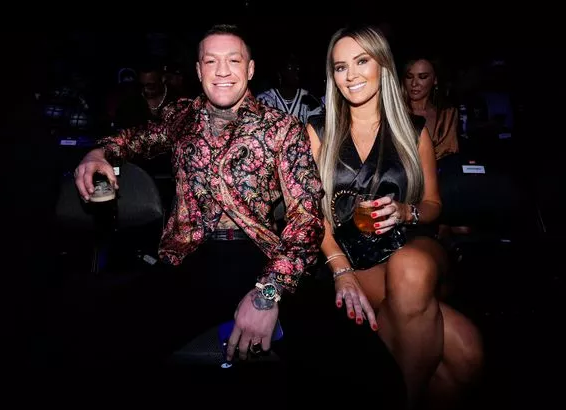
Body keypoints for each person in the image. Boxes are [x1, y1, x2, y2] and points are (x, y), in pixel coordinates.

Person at [73, 24, 325, 395]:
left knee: (333, 358)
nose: (222, 71)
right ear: (198, 70)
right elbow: (133, 139)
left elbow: (307, 218)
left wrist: (267, 293)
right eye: (211, 61)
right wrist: (98, 153)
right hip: (188, 258)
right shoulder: (182, 118)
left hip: (260, 259)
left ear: (250, 69)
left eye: (233, 61)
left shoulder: (282, 128)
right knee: (99, 338)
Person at [306, 26, 483, 409]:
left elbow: (433, 205)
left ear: (383, 66)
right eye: (340, 67)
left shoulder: (412, 130)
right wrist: (339, 267)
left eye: (362, 61)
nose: (351, 75)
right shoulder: (319, 131)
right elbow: (309, 215)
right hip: (354, 254)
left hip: (411, 243)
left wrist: (407, 211)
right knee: (466, 353)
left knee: (410, 265)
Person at [401, 57, 459, 163]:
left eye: (422, 77)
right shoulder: (393, 112)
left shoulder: (447, 116)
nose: (414, 83)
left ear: (435, 80)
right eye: (409, 77)